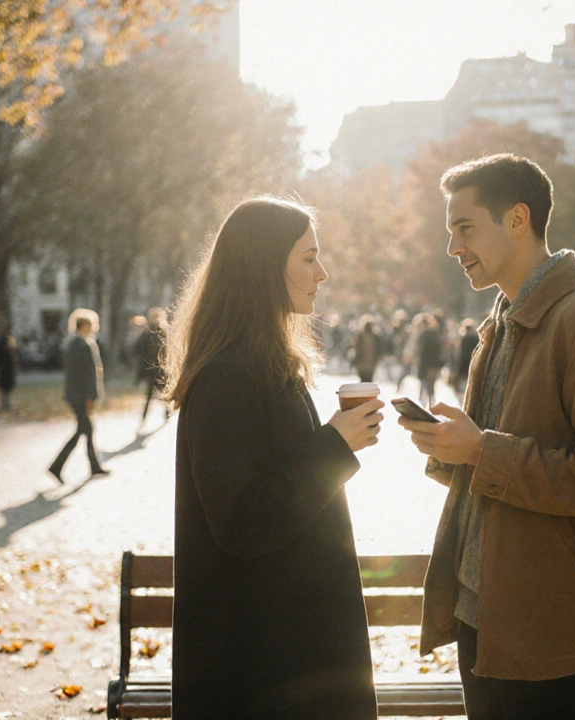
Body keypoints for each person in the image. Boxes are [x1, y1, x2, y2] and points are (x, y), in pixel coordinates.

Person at [398, 154, 575, 720]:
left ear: (517, 219)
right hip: (482, 613)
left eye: (465, 228)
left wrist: (480, 450)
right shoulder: (502, 321)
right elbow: (495, 462)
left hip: (550, 627)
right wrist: (452, 448)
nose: (453, 247)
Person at [163, 197, 382, 719]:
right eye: (308, 258)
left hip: (289, 654)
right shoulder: (225, 376)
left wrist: (334, 440)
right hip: (263, 670)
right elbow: (242, 521)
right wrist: (334, 446)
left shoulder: (264, 364)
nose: (322, 273)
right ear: (264, 266)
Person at [48, 308, 108, 483]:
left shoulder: (77, 343)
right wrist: (89, 397)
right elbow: (85, 375)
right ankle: (57, 466)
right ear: (84, 325)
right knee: (83, 430)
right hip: (81, 396)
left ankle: (94, 466)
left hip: (78, 395)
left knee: (86, 430)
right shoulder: (81, 345)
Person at [135, 307, 170, 424]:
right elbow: (138, 348)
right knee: (149, 395)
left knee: (165, 394)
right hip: (151, 369)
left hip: (162, 369)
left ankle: (167, 415)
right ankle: (144, 417)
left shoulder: (164, 331)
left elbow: (167, 349)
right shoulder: (147, 331)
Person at [416, 312, 445, 409]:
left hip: (427, 364)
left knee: (425, 384)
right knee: (429, 385)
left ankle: (424, 404)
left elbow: (423, 352)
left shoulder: (425, 335)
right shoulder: (435, 334)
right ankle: (430, 403)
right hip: (433, 364)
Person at [453, 317, 479, 400]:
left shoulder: (464, 339)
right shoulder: (476, 338)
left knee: (464, 382)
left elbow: (461, 354)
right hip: (473, 362)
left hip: (464, 363)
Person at [351, 317, 380, 383]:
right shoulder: (361, 336)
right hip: (364, 364)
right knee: (365, 381)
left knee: (367, 381)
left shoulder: (375, 337)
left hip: (369, 364)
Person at [0, 328, 18, 410]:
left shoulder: (3, 343)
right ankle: (6, 405)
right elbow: (9, 358)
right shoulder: (7, 344)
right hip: (6, 370)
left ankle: (5, 404)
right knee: (6, 388)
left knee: (5, 389)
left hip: (4, 370)